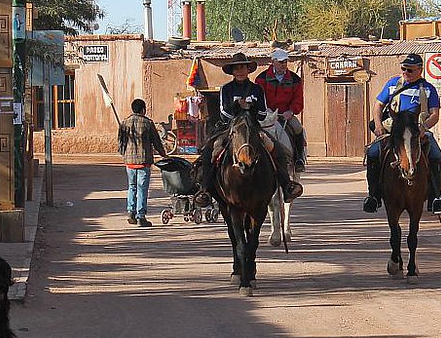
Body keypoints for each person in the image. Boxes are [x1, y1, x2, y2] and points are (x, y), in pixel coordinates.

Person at [194, 52, 303, 205]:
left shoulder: (257, 89)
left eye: (243, 68)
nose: (240, 71)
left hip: (253, 129)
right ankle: (205, 190)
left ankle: (287, 185)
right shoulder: (226, 89)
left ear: (248, 70)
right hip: (231, 129)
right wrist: (237, 109)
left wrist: (251, 110)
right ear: (232, 71)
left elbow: (263, 112)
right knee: (210, 151)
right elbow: (223, 112)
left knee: (277, 149)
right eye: (236, 68)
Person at [363, 53, 441, 215]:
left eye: (410, 70)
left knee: (436, 156)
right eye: (403, 69)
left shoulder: (428, 89)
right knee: (373, 153)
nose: (405, 73)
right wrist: (379, 125)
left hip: (417, 130)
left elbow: (434, 114)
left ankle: (435, 198)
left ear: (420, 70)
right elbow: (378, 105)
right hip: (393, 130)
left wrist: (423, 129)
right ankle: (373, 196)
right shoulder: (393, 84)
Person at [117, 98, 168, 227]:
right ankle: (141, 216)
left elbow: (120, 144)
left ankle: (130, 212)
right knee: (142, 189)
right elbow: (156, 142)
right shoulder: (147, 123)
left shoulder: (124, 123)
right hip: (143, 162)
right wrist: (164, 155)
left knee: (132, 187)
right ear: (143, 110)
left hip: (129, 162)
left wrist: (125, 154)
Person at [255, 47, 307, 171]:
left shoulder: (295, 80)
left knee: (298, 128)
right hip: (267, 114)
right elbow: (259, 97)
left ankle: (299, 159)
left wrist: (291, 111)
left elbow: (298, 100)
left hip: (285, 115)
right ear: (273, 61)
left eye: (285, 62)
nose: (284, 64)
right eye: (281, 62)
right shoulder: (261, 79)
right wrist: (265, 110)